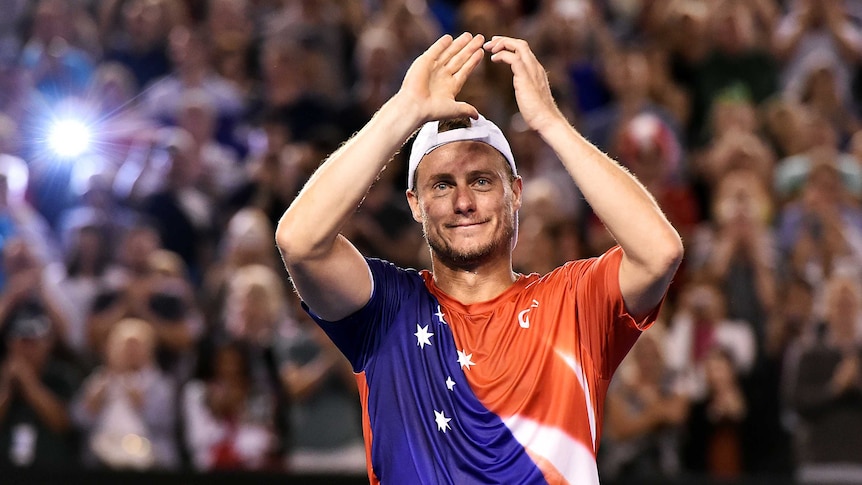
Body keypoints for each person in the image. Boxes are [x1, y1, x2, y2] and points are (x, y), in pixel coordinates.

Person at [275, 32, 683, 484]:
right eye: (443, 184)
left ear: (516, 193)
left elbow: (659, 252)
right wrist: (402, 111)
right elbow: (299, 241)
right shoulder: (385, 308)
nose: (463, 201)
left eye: (483, 181)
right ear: (414, 203)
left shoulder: (573, 303)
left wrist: (551, 123)